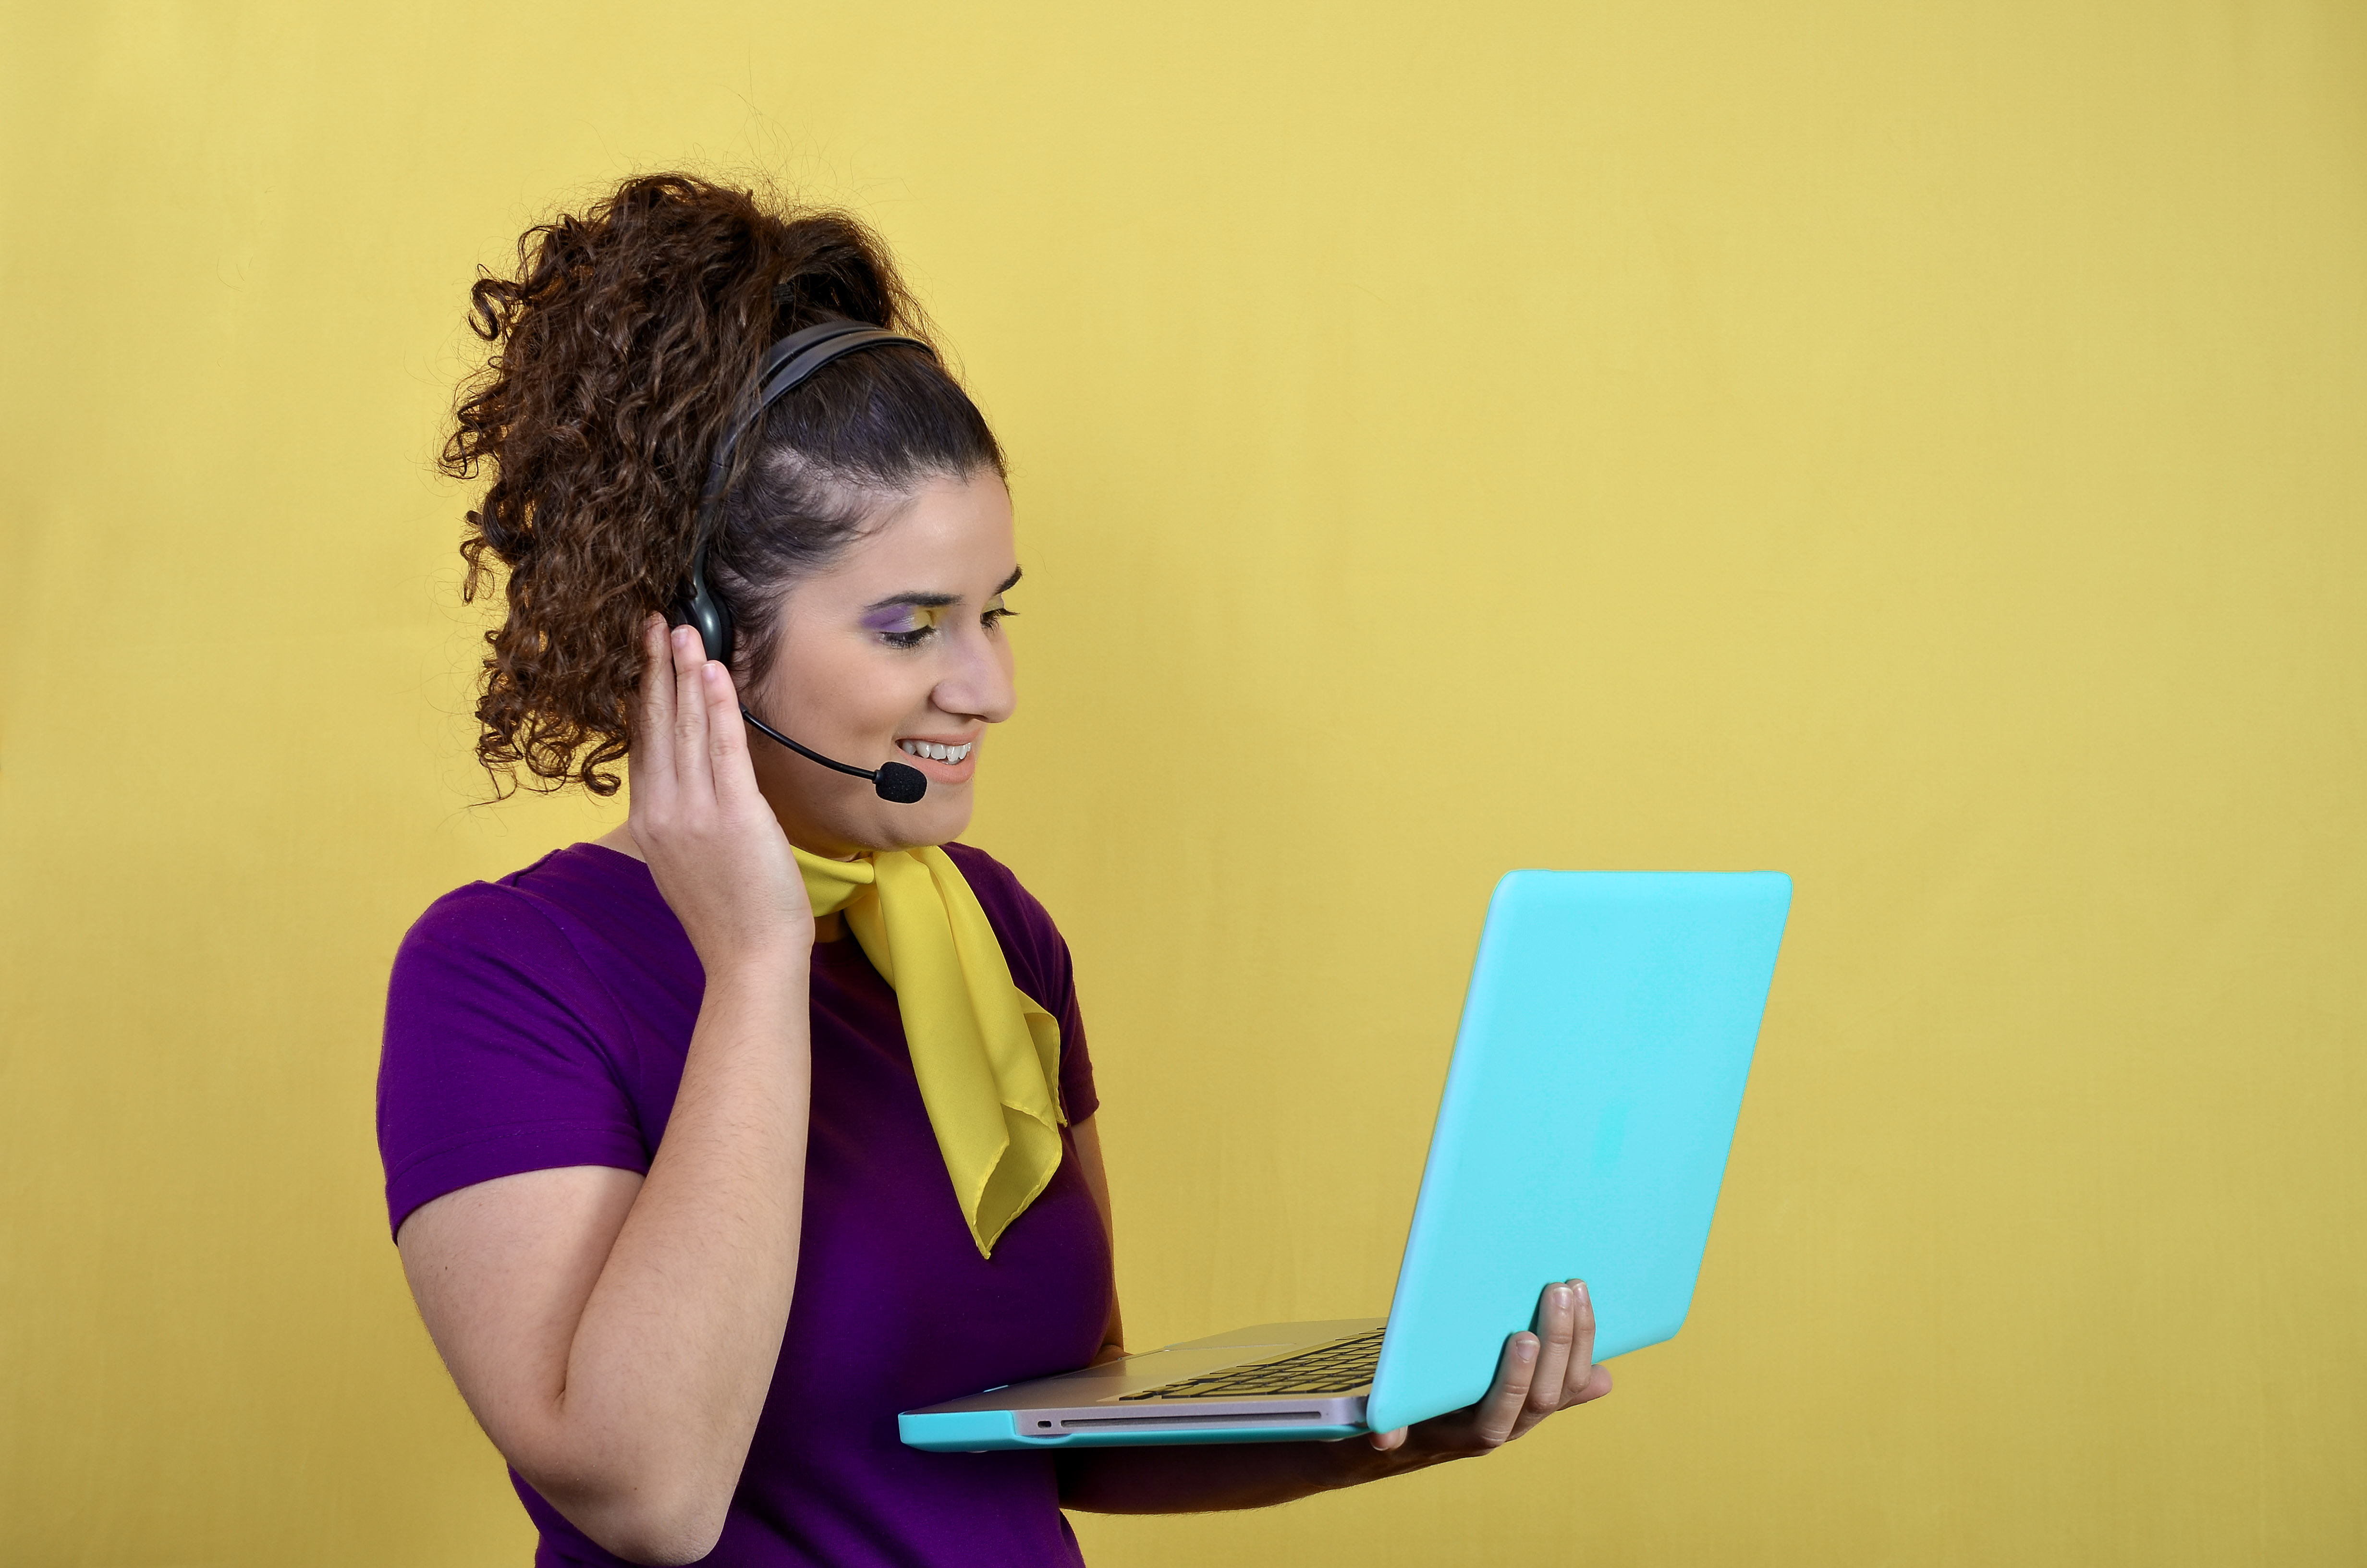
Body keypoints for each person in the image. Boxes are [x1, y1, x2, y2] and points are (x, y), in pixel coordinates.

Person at [378, 172, 1611, 1568]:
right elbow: (649, 1493)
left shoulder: (991, 940)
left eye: (994, 613)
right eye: (913, 628)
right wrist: (758, 956)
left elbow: (1068, 1424)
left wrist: (1404, 1415)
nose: (991, 688)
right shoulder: (503, 976)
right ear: (705, 640)